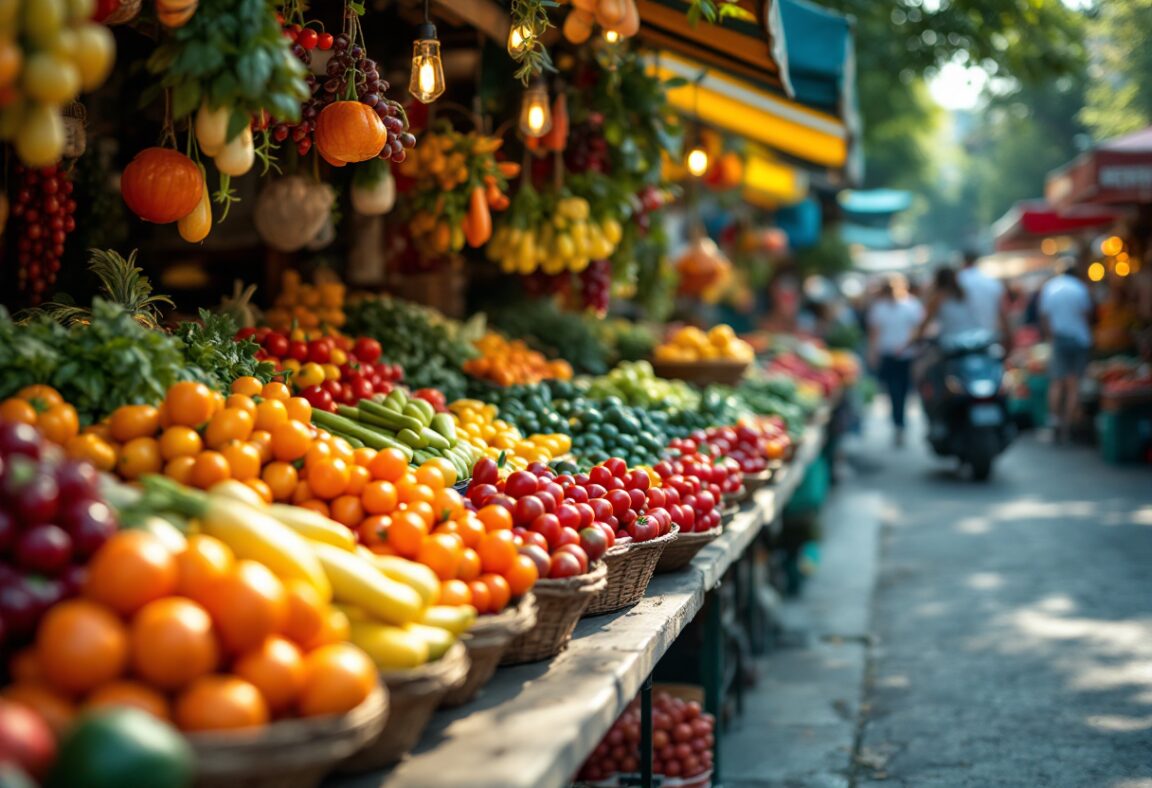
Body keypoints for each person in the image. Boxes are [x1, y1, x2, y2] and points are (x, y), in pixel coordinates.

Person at [1038, 259, 1094, 443]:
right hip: (1079, 339)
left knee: (1057, 382)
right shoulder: (1080, 288)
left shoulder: (1050, 288)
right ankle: (1069, 426)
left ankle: (1055, 421)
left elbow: (1044, 317)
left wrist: (1050, 338)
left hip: (1059, 339)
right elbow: (1087, 315)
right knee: (1073, 384)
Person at [867, 274, 924, 446]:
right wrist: (873, 354)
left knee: (905, 391)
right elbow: (874, 333)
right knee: (892, 391)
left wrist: (913, 350)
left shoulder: (912, 305)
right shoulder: (879, 308)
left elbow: (918, 330)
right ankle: (898, 422)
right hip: (888, 355)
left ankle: (900, 422)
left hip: (907, 356)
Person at [915, 267, 982, 342]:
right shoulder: (964, 293)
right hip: (974, 336)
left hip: (953, 342)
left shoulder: (938, 298)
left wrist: (915, 337)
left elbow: (924, 324)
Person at [958, 251, 1012, 343]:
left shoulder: (956, 282)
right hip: (990, 338)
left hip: (960, 343)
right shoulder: (992, 283)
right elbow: (1003, 314)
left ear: (963, 262)